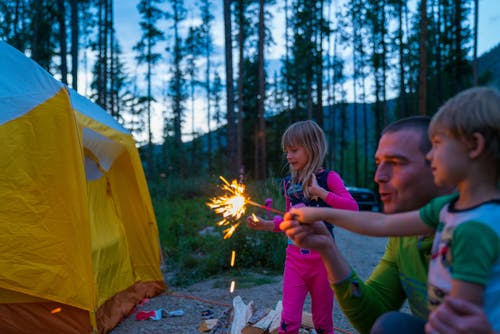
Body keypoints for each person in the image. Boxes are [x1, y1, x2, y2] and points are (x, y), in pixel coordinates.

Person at [282, 87, 500, 333]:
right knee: (391, 324)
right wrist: (327, 246)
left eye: (396, 163)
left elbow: (461, 315)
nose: (378, 177)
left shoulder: (478, 228)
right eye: (378, 163)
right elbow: (378, 226)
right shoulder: (425, 223)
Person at [246, 120, 358, 334]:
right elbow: (288, 221)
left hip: (324, 262)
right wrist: (266, 225)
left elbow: (352, 208)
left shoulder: (328, 178)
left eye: (294, 150)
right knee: (288, 320)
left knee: (323, 322)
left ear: (313, 147)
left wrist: (321, 193)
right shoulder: (289, 183)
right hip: (295, 260)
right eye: (286, 151)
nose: (288, 156)